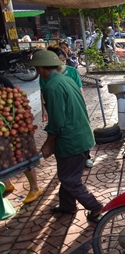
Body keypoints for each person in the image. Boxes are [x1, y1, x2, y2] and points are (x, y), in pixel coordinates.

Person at [28, 50, 102, 221]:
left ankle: (95, 207)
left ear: (40, 68)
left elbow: (57, 122)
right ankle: (67, 205)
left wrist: (48, 144)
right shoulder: (67, 80)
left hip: (71, 140)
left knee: (69, 179)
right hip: (82, 135)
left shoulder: (51, 87)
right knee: (67, 174)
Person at [0, 75, 42, 204]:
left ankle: (35, 188)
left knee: (24, 155)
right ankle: (7, 184)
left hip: (14, 126)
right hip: (5, 128)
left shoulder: (3, 82)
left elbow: (16, 103)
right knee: (2, 157)